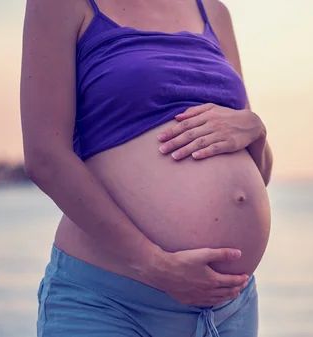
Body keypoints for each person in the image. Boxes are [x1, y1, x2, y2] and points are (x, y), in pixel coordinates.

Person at [19, 0, 273, 336]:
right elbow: (46, 158)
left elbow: (260, 173)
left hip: (228, 311)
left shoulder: (212, 11)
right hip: (112, 306)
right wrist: (154, 264)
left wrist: (255, 129)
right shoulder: (61, 5)